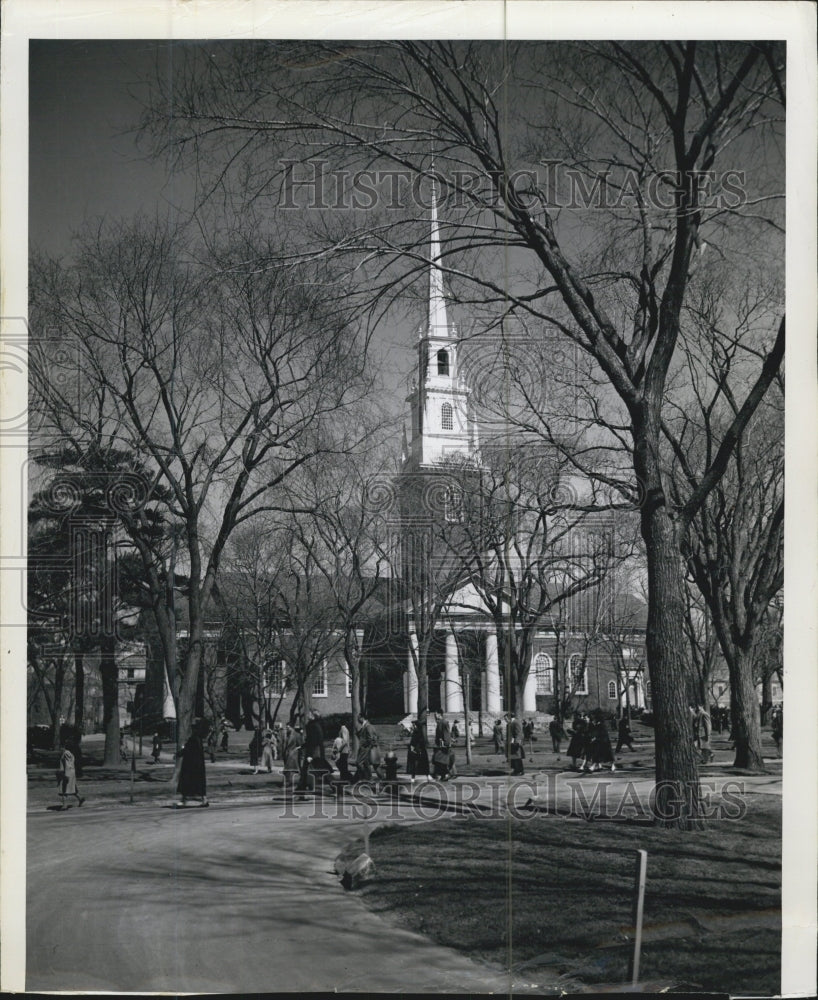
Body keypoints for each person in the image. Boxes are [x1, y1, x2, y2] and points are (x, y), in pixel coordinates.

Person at [177, 719, 209, 806]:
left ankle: (184, 800)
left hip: (191, 765)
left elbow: (188, 750)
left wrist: (179, 753)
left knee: (186, 782)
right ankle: (204, 799)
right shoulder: (198, 739)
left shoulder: (193, 739)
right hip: (198, 765)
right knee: (199, 783)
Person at [56, 741, 85, 809]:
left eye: (61, 747)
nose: (60, 749)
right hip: (71, 772)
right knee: (72, 787)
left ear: (64, 747)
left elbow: (68, 764)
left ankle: (64, 805)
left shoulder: (66, 753)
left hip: (66, 773)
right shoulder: (71, 754)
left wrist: (64, 774)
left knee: (64, 789)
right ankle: (80, 798)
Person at [356, 713, 380, 781]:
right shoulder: (364, 726)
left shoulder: (368, 726)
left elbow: (370, 738)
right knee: (366, 763)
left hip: (365, 748)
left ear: (362, 718)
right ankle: (368, 778)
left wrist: (365, 745)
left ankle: (365, 777)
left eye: (358, 718)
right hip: (364, 748)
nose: (357, 719)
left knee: (359, 763)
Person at [281, 722, 302, 790]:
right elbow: (284, 745)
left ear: (292, 727)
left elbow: (300, 745)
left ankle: (287, 783)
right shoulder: (286, 735)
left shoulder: (297, 735)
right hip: (286, 754)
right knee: (289, 770)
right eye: (286, 727)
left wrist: (296, 751)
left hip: (293, 755)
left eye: (288, 727)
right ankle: (290, 783)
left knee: (289, 770)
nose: (287, 729)